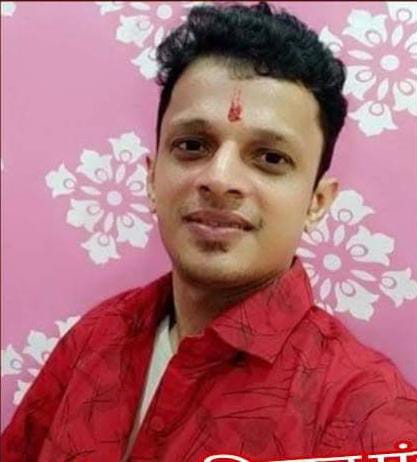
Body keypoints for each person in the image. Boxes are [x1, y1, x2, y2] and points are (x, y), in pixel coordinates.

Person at [2, 2, 417, 461]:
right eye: (192, 145)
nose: (219, 179)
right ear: (152, 177)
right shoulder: (96, 338)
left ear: (316, 202)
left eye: (270, 158)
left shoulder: (370, 413)